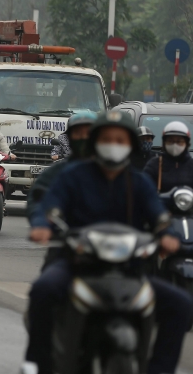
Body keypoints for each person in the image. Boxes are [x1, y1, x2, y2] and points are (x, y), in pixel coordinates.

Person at [24, 111, 192, 374]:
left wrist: (167, 234)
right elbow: (49, 205)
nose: (113, 144)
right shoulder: (72, 176)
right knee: (43, 291)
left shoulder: (139, 181)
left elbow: (158, 216)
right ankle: (36, 363)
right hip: (78, 263)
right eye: (106, 138)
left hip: (130, 269)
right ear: (95, 142)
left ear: (130, 146)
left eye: (120, 139)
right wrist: (43, 227)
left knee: (181, 304)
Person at [27, 111, 96, 226]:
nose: (83, 138)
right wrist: (41, 222)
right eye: (78, 133)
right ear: (70, 136)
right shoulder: (58, 170)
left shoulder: (112, 168)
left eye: (88, 133)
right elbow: (38, 200)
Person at [144, 121, 193, 193]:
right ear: (164, 143)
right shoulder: (154, 165)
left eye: (179, 141)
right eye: (170, 141)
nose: (174, 145)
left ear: (187, 143)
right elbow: (143, 192)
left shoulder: (191, 165)